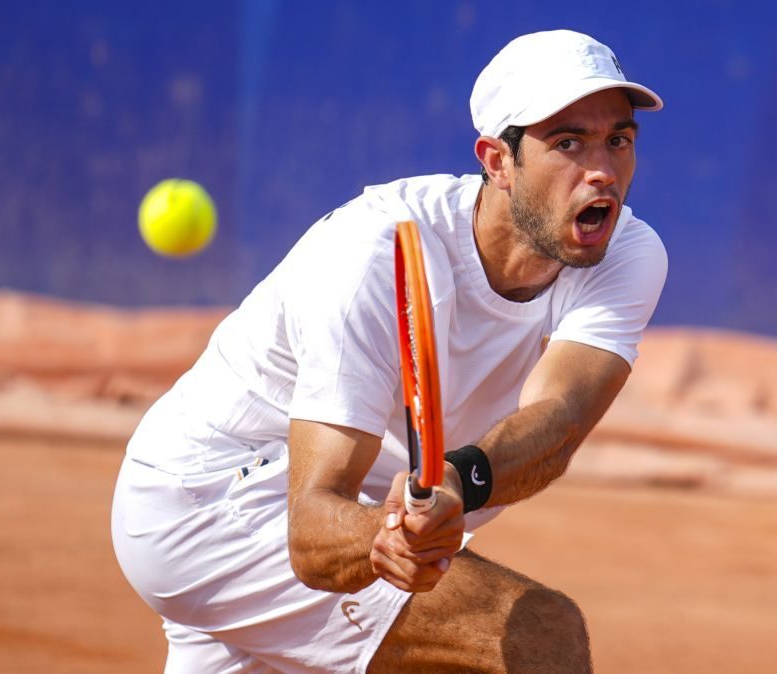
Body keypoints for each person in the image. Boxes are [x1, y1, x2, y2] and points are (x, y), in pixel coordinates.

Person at [111, 29, 666, 673]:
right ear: (496, 161)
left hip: (355, 509)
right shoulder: (376, 252)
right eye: (567, 142)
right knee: (542, 638)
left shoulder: (627, 251)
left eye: (618, 140)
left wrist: (456, 481)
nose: (601, 168)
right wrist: (384, 534)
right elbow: (313, 526)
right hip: (211, 503)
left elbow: (561, 417)